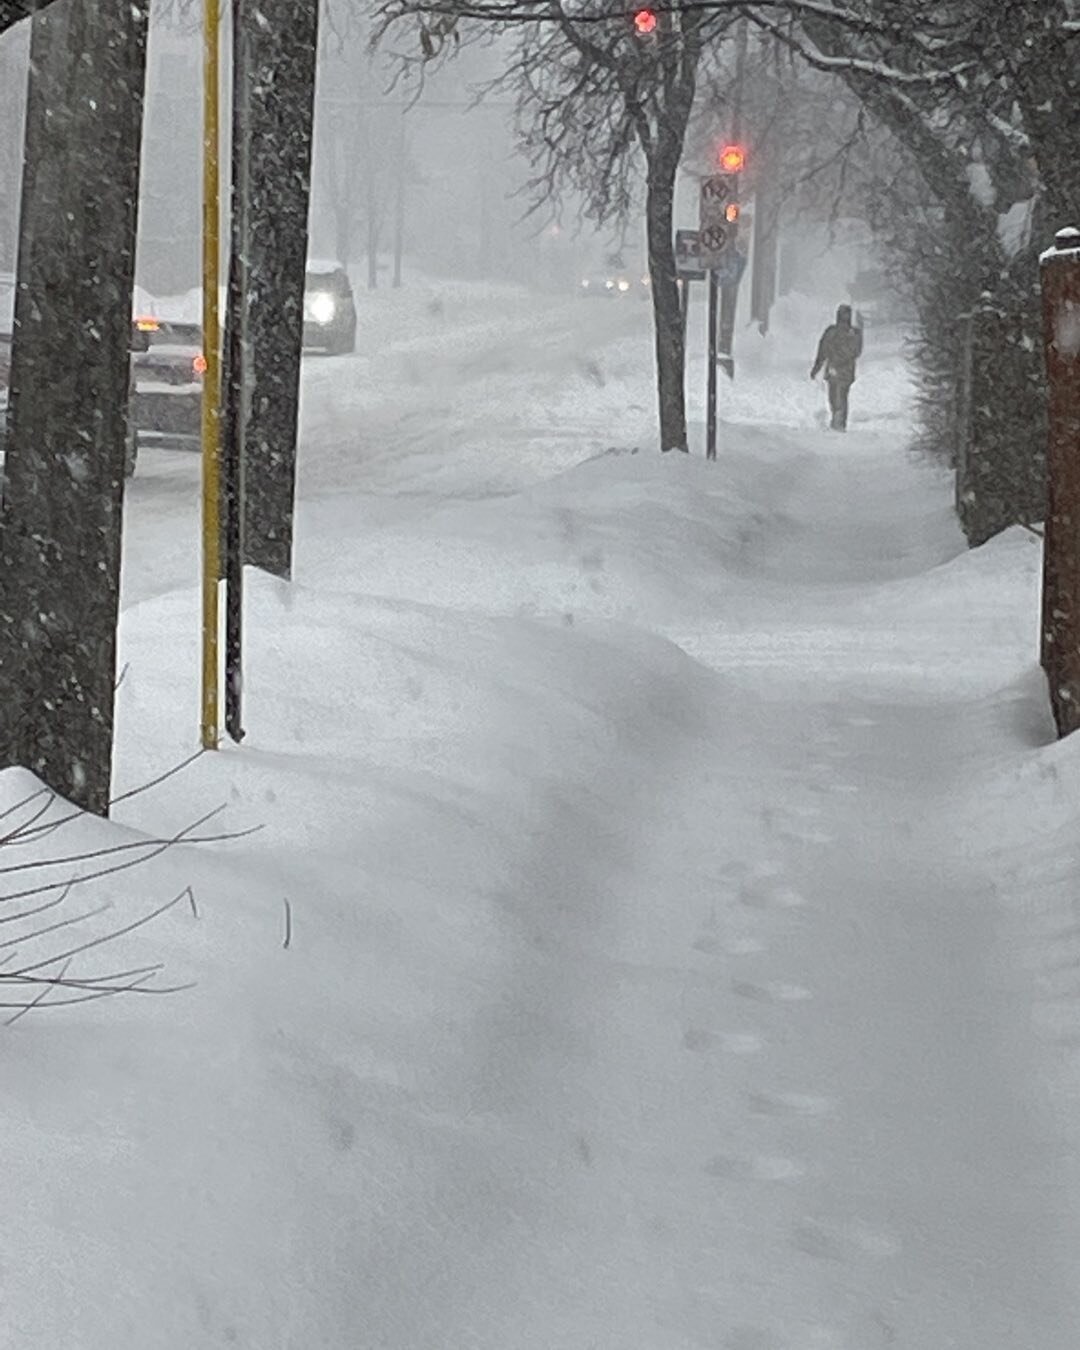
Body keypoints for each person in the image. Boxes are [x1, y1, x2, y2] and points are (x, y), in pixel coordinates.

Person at [810, 304, 863, 431]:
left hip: (835, 369)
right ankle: (839, 420)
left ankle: (838, 420)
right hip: (845, 370)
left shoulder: (833, 332)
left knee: (836, 396)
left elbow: (822, 351)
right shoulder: (853, 333)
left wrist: (817, 367)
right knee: (840, 396)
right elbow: (856, 351)